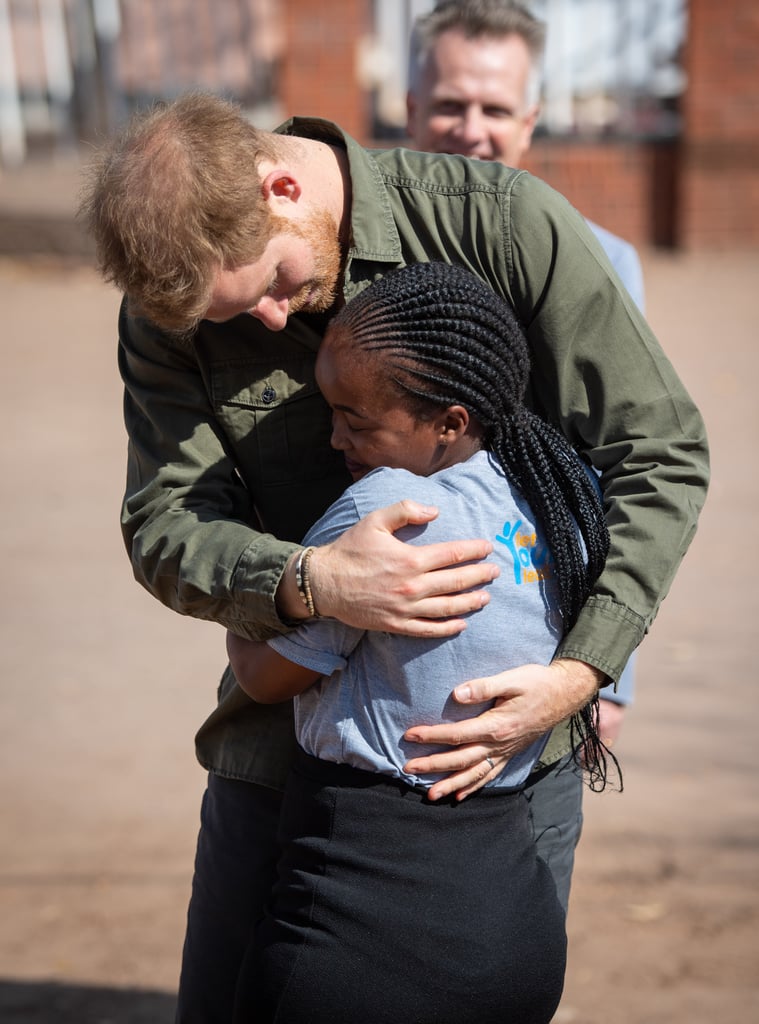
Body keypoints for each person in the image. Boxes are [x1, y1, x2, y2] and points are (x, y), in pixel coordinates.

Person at [77, 91, 709, 1024]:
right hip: (281, 758)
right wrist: (313, 582)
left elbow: (659, 453)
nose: (260, 320)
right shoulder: (176, 308)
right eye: (234, 310)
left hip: (498, 762)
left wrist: (579, 675)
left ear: (282, 186)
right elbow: (165, 522)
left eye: (274, 284)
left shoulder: (498, 224)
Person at [228, 261, 610, 1023]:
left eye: (356, 420)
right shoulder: (560, 496)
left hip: (361, 928)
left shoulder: (387, 511)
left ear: (450, 422)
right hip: (516, 928)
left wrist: (260, 592)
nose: (334, 436)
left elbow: (265, 678)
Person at [406, 0, 645, 891]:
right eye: (449, 106)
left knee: (513, 907)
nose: (471, 131)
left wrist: (607, 671)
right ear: (409, 104)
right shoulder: (368, 255)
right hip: (380, 631)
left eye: (495, 110)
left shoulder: (601, 263)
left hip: (537, 641)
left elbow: (621, 470)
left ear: (530, 122)